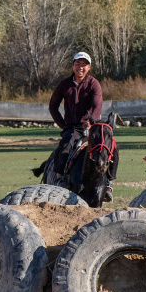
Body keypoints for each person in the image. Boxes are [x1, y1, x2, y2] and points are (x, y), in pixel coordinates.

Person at [48, 52, 113, 192]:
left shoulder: (93, 84)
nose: (80, 67)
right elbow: (53, 105)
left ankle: (108, 182)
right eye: (78, 64)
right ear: (73, 65)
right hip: (73, 127)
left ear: (89, 67)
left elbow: (97, 106)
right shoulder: (64, 84)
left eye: (84, 65)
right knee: (67, 143)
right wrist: (63, 125)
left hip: (93, 125)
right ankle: (60, 178)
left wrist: (91, 122)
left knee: (110, 145)